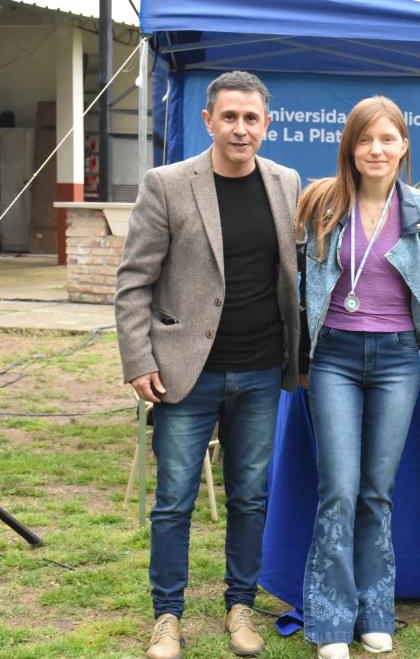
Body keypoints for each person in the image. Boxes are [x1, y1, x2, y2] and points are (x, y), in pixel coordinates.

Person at [115, 70, 301, 659]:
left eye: (251, 119)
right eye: (230, 117)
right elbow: (133, 282)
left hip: (261, 372)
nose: (240, 129)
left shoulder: (287, 182)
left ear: (267, 124)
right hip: (182, 372)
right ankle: (167, 617)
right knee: (174, 501)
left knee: (250, 497)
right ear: (208, 121)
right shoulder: (166, 183)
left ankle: (239, 608)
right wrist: (138, 359)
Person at [296, 95, 420, 659]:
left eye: (387, 139)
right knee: (338, 490)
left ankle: (374, 612)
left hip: (397, 360)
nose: (376, 149)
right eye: (365, 140)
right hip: (333, 356)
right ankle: (332, 621)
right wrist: (302, 361)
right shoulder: (320, 202)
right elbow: (299, 289)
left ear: (404, 146)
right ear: (350, 148)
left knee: (377, 493)